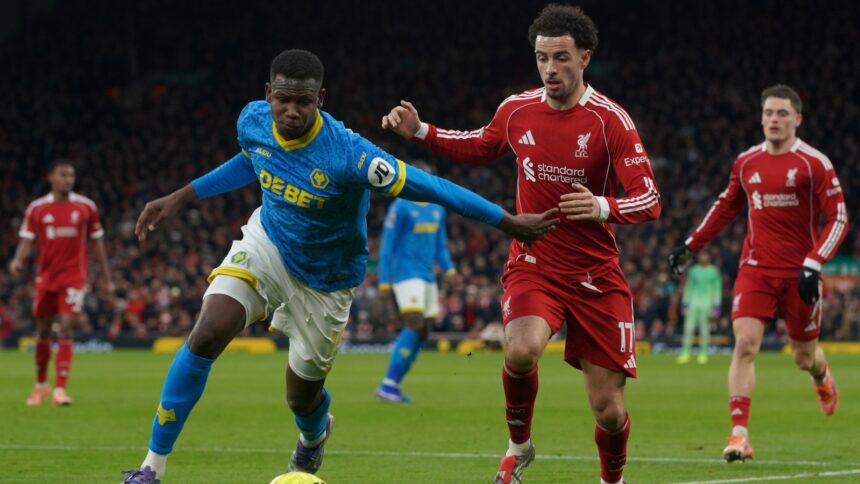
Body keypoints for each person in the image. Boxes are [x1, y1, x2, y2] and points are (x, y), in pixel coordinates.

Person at [119, 49, 558, 484]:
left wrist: (507, 221)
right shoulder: (253, 120)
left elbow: (431, 187)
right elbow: (253, 159)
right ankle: (151, 467)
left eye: (303, 102)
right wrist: (182, 196)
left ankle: (314, 435)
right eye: (283, 100)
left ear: (320, 99)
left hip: (327, 282)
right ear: (268, 93)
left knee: (302, 397)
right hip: (268, 243)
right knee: (207, 332)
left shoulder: (351, 156)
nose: (291, 111)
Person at [381, 5, 661, 483]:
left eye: (561, 58)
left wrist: (600, 206)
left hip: (596, 275)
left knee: (609, 411)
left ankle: (612, 479)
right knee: (521, 350)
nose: (550, 68)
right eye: (542, 58)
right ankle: (519, 446)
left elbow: (650, 200)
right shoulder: (516, 110)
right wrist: (422, 132)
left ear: (585, 58)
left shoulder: (610, 121)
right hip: (535, 263)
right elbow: (479, 144)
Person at [669, 84, 847, 463]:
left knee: (803, 357)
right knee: (745, 344)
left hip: (800, 273)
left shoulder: (814, 164)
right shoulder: (747, 162)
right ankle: (739, 435)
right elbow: (725, 206)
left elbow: (839, 217)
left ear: (797, 119)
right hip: (756, 269)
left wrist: (815, 263)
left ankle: (821, 375)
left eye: (782, 114)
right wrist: (691, 245)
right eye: (768, 113)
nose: (774, 120)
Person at [9, 161, 112, 407]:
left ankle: (60, 390)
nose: (68, 179)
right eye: (63, 175)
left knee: (66, 328)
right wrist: (18, 260)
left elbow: (96, 243)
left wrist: (106, 278)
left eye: (71, 175)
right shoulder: (37, 209)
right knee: (43, 332)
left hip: (74, 278)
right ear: (51, 178)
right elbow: (27, 239)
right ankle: (41, 384)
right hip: (46, 279)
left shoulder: (86, 207)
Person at [375, 184, 456, 403]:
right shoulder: (400, 206)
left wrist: (449, 269)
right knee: (414, 322)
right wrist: (384, 282)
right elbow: (387, 245)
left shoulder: (437, 208)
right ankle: (388, 383)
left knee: (424, 330)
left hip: (428, 276)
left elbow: (441, 245)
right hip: (406, 274)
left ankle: (393, 384)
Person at [677, 251, 722, 364]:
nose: (703, 257)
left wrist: (716, 304)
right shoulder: (694, 271)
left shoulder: (714, 271)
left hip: (707, 303)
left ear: (709, 257)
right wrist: (685, 302)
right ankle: (685, 352)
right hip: (693, 303)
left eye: (705, 255)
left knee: (704, 330)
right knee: (688, 328)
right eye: (701, 255)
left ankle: (703, 353)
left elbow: (717, 288)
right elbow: (689, 286)